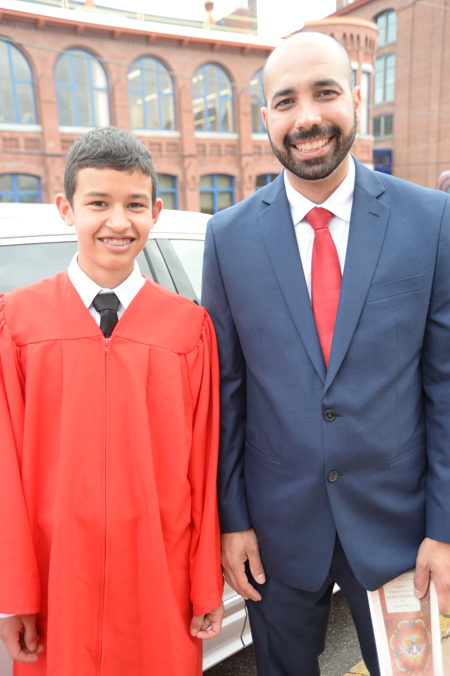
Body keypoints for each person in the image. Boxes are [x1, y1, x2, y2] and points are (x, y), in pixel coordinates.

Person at [201, 32, 450, 675]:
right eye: (286, 101)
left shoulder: (431, 221)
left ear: (357, 99)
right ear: (266, 117)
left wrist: (445, 528)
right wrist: (232, 520)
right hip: (275, 537)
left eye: (326, 93)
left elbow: (445, 388)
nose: (307, 117)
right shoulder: (227, 238)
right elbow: (227, 393)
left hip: (399, 531)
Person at [0, 127, 223, 676]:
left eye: (135, 205)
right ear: (66, 209)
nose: (118, 222)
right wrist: (14, 594)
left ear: (156, 213)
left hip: (159, 574)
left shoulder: (188, 328)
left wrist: (204, 583)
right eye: (98, 203)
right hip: (57, 579)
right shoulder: (19, 322)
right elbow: (6, 468)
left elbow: (204, 463)